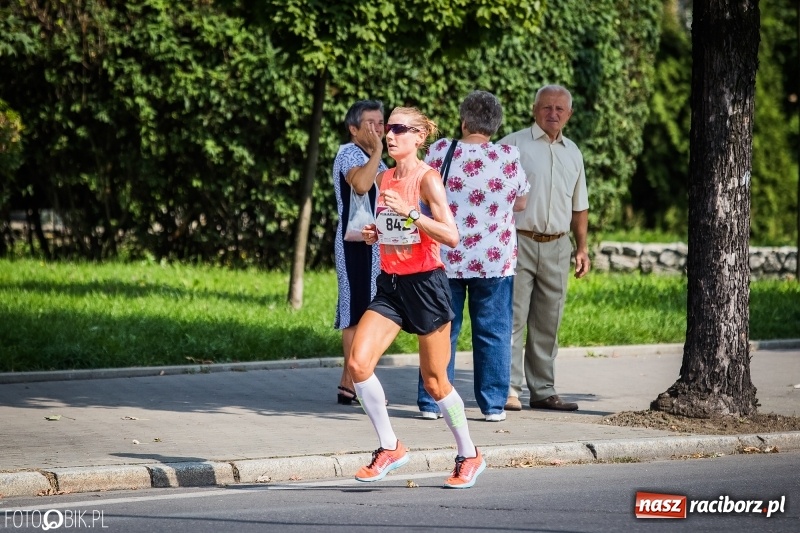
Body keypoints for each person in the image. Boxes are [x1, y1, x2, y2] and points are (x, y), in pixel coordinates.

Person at [349, 106, 486, 489]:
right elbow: (395, 229)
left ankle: (469, 454)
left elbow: (451, 235)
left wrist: (411, 214)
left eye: (399, 129)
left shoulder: (428, 180)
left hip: (426, 286)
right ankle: (390, 447)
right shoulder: (384, 177)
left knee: (435, 382)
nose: (390, 135)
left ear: (420, 136)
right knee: (358, 364)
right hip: (391, 285)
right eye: (388, 128)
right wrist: (378, 233)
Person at [417, 90, 530, 422]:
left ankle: (432, 402)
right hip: (494, 261)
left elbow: (421, 191)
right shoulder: (508, 155)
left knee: (441, 329)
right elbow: (521, 200)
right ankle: (493, 405)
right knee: (493, 332)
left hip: (445, 257)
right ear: (495, 126)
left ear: (464, 122)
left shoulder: (440, 151)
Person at [498, 84, 590, 412]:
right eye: (546, 107)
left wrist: (582, 248)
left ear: (569, 114)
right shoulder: (512, 145)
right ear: (535, 110)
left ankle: (543, 390)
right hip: (518, 241)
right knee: (513, 318)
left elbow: (580, 206)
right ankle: (508, 390)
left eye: (559, 109)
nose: (553, 113)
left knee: (548, 321)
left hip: (558, 246)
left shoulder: (573, 152)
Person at [333, 100, 388, 405]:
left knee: (372, 312)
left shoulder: (375, 159)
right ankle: (361, 384)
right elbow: (362, 185)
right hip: (355, 245)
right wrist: (379, 150)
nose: (378, 129)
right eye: (371, 123)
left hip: (375, 246)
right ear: (353, 129)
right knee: (356, 314)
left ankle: (349, 382)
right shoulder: (349, 153)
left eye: (381, 123)